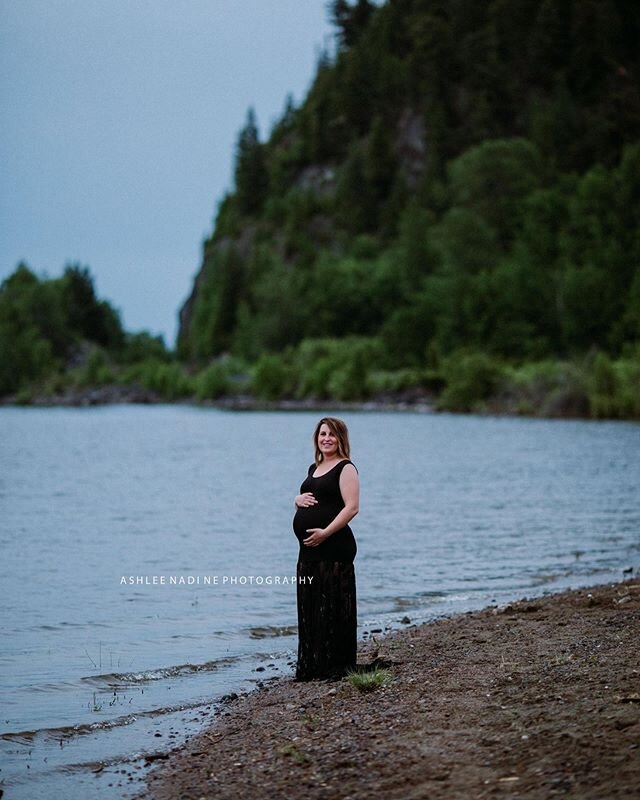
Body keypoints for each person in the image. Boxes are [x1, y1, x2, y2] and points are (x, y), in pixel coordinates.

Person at [292, 416, 360, 680]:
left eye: (332, 434)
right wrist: (296, 500)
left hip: (334, 547)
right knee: (311, 604)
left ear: (340, 439)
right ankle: (313, 664)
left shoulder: (346, 468)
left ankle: (334, 664)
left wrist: (325, 533)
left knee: (332, 604)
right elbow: (309, 502)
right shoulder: (314, 468)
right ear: (316, 439)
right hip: (309, 549)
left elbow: (352, 507)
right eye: (322, 434)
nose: (326, 439)